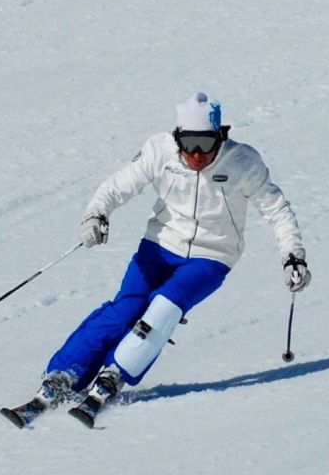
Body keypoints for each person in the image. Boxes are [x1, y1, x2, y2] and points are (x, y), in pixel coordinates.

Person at [24, 92, 310, 421]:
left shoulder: (243, 162)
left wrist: (293, 256)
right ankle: (63, 376)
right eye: (189, 143)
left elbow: (277, 210)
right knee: (125, 309)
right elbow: (118, 186)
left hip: (213, 255)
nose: (197, 154)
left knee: (163, 308)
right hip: (159, 246)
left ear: (221, 136)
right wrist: (95, 215)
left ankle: (115, 374)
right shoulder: (160, 151)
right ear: (177, 137)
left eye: (206, 143)